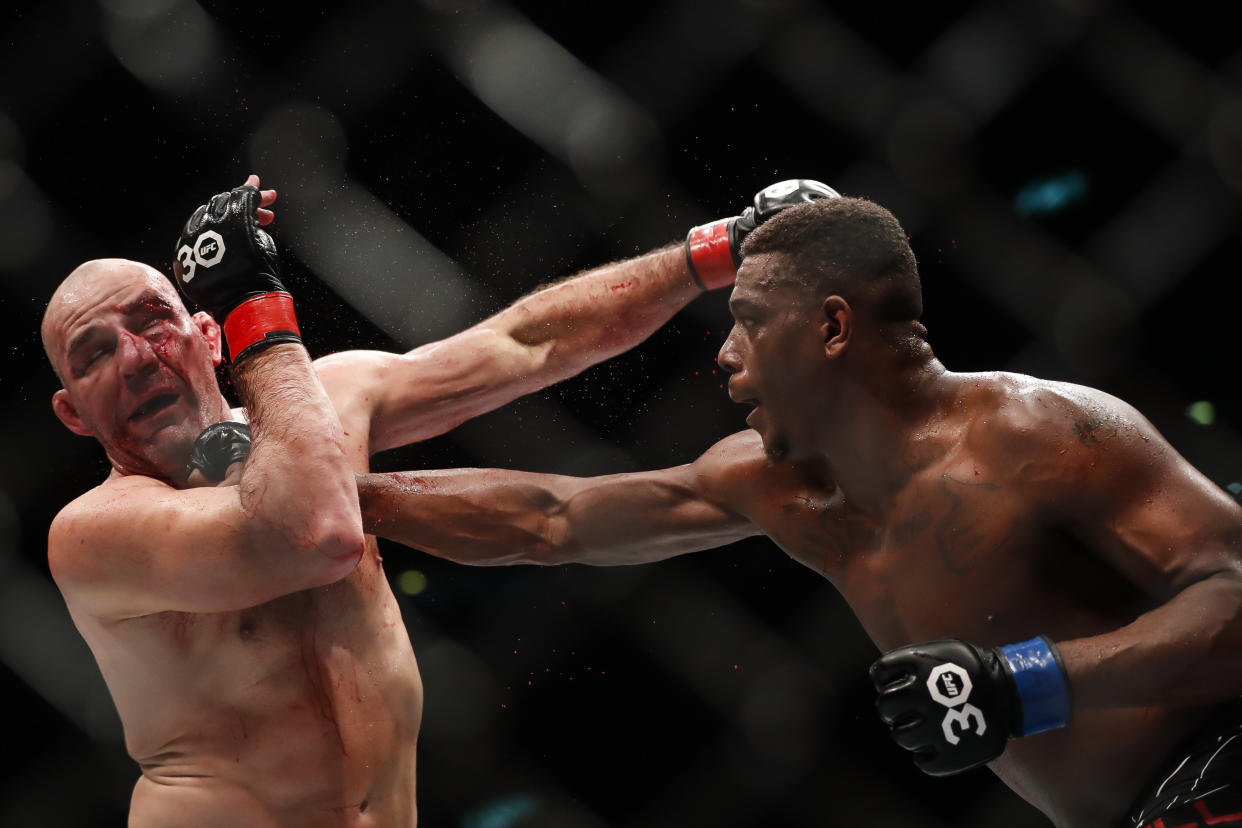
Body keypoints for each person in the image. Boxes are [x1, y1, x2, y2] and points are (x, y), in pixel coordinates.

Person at [353, 196, 1242, 828]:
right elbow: (553, 519)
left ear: (831, 327)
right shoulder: (778, 486)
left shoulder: (1042, 433)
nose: (726, 358)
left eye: (746, 321)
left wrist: (1021, 681)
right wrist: (347, 498)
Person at [42, 173, 833, 826]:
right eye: (95, 354)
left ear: (206, 338)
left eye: (152, 322)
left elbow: (524, 343)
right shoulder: (93, 535)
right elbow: (315, 532)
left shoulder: (325, 403)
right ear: (74, 412)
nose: (137, 358)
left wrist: (725, 246)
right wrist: (260, 307)